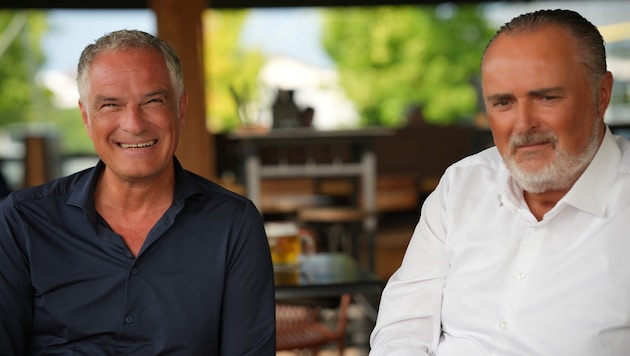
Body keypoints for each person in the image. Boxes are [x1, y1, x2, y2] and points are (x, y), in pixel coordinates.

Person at [370, 9, 630, 356]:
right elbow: (403, 327)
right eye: (503, 102)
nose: (523, 124)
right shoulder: (461, 185)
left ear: (601, 95)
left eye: (546, 97)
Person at [0, 30, 276, 355]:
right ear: (86, 118)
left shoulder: (233, 223)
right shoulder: (23, 219)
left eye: (153, 101)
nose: (133, 123)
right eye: (110, 105)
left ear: (181, 108)